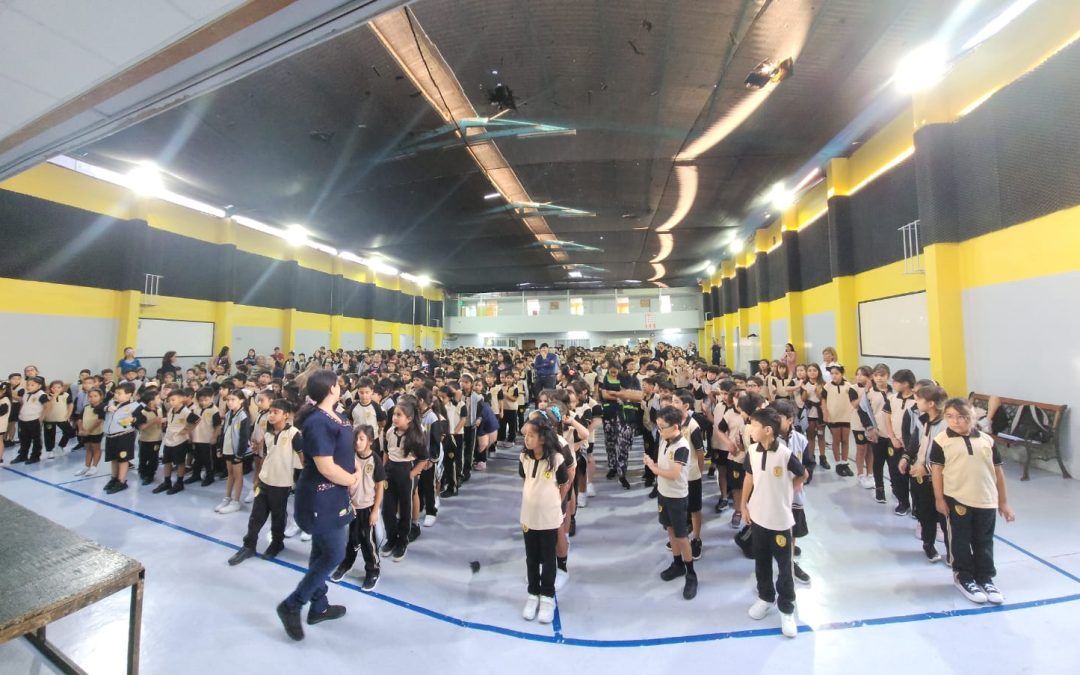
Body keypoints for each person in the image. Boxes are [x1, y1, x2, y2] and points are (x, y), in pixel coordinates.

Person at [278, 370, 359, 641]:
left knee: (320, 552)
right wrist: (352, 478)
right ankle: (293, 604)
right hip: (321, 497)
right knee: (334, 554)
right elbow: (325, 466)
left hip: (334, 494)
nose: (341, 386)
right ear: (331, 389)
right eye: (337, 383)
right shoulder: (317, 423)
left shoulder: (337, 415)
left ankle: (319, 606)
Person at [930, 398, 1016, 605]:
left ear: (973, 417)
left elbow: (998, 471)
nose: (956, 421)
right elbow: (937, 472)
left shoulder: (987, 440)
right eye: (950, 417)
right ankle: (964, 577)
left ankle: (985, 578)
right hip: (957, 500)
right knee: (960, 540)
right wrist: (939, 499)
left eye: (962, 417)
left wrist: (1003, 502)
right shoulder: (942, 440)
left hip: (986, 500)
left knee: (984, 541)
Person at [742, 406, 808, 639]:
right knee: (761, 562)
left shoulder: (785, 454)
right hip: (758, 517)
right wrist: (743, 505)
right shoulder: (751, 451)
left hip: (780, 520)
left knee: (784, 567)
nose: (749, 428)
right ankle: (765, 597)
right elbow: (749, 477)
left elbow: (803, 474)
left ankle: (787, 607)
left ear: (768, 430)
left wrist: (788, 489)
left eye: (754, 425)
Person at [230, 399, 303, 565]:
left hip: (282, 484)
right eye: (270, 411)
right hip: (265, 481)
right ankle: (249, 546)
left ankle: (277, 543)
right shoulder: (268, 434)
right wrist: (257, 478)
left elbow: (302, 457)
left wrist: (299, 480)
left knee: (278, 517)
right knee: (256, 516)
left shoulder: (293, 434)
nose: (271, 415)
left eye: (275, 412)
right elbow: (266, 457)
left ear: (286, 415)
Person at [518, 410, 570, 624]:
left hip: (549, 519)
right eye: (525, 435)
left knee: (549, 559)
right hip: (529, 518)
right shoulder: (524, 458)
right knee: (531, 558)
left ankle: (547, 596)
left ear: (542, 438)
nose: (526, 439)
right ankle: (533, 593)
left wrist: (552, 504)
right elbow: (525, 480)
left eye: (531, 435)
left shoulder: (557, 459)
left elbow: (563, 482)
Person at [643, 405, 699, 600]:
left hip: (677, 497)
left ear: (675, 426)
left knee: (682, 536)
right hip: (663, 494)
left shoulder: (681, 446)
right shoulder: (664, 440)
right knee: (669, 530)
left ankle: (691, 572)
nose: (659, 430)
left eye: (662, 427)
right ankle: (677, 564)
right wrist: (655, 465)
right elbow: (663, 467)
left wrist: (652, 468)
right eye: (658, 426)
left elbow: (674, 474)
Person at [331, 425, 385, 590]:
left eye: (361, 439)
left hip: (367, 508)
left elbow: (380, 487)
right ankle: (346, 564)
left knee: (368, 542)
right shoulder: (349, 458)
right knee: (351, 540)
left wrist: (375, 511)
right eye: (356, 439)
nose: (357, 442)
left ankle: (373, 570)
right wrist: (347, 503)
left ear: (370, 441)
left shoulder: (375, 459)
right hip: (352, 507)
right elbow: (343, 483)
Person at [900, 384, 949, 563]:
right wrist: (906, 457)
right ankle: (928, 545)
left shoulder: (945, 425)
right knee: (925, 513)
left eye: (919, 398)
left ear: (931, 404)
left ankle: (951, 552)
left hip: (938, 477)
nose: (916, 401)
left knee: (943, 515)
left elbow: (947, 456)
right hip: (919, 475)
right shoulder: (923, 420)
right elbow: (915, 443)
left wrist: (927, 468)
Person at [379, 398, 430, 561]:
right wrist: (382, 471)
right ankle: (391, 538)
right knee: (387, 508)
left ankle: (402, 541)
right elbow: (387, 451)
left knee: (405, 509)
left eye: (399, 415)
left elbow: (423, 459)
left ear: (409, 418)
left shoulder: (415, 436)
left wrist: (412, 473)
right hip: (390, 471)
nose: (394, 418)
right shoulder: (390, 431)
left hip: (405, 471)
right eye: (394, 414)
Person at [215, 389, 251, 514]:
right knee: (230, 474)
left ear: (241, 400)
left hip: (237, 452)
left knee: (238, 475)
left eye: (233, 400)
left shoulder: (243, 415)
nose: (229, 402)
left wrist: (239, 454)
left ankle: (236, 501)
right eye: (228, 400)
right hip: (227, 448)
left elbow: (244, 437)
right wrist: (219, 447)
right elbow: (223, 432)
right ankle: (228, 497)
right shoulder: (229, 413)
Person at [102, 382, 140, 494]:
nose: (116, 395)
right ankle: (114, 478)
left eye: (120, 393)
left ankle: (121, 481)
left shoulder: (134, 406)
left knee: (123, 459)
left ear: (129, 395)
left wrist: (133, 420)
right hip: (110, 436)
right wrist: (106, 408)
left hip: (124, 436)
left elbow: (140, 419)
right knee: (113, 458)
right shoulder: (111, 403)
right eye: (116, 393)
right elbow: (98, 408)